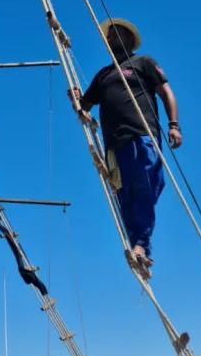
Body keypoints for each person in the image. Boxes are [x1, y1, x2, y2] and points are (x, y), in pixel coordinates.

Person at [72, 18, 181, 270]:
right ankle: (140, 249)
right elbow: (85, 106)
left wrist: (174, 125)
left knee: (147, 184)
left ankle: (142, 243)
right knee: (126, 196)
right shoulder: (103, 74)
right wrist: (77, 100)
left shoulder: (143, 63)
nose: (110, 40)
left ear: (129, 40)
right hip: (113, 143)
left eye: (116, 35)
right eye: (109, 37)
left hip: (142, 134)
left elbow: (166, 93)